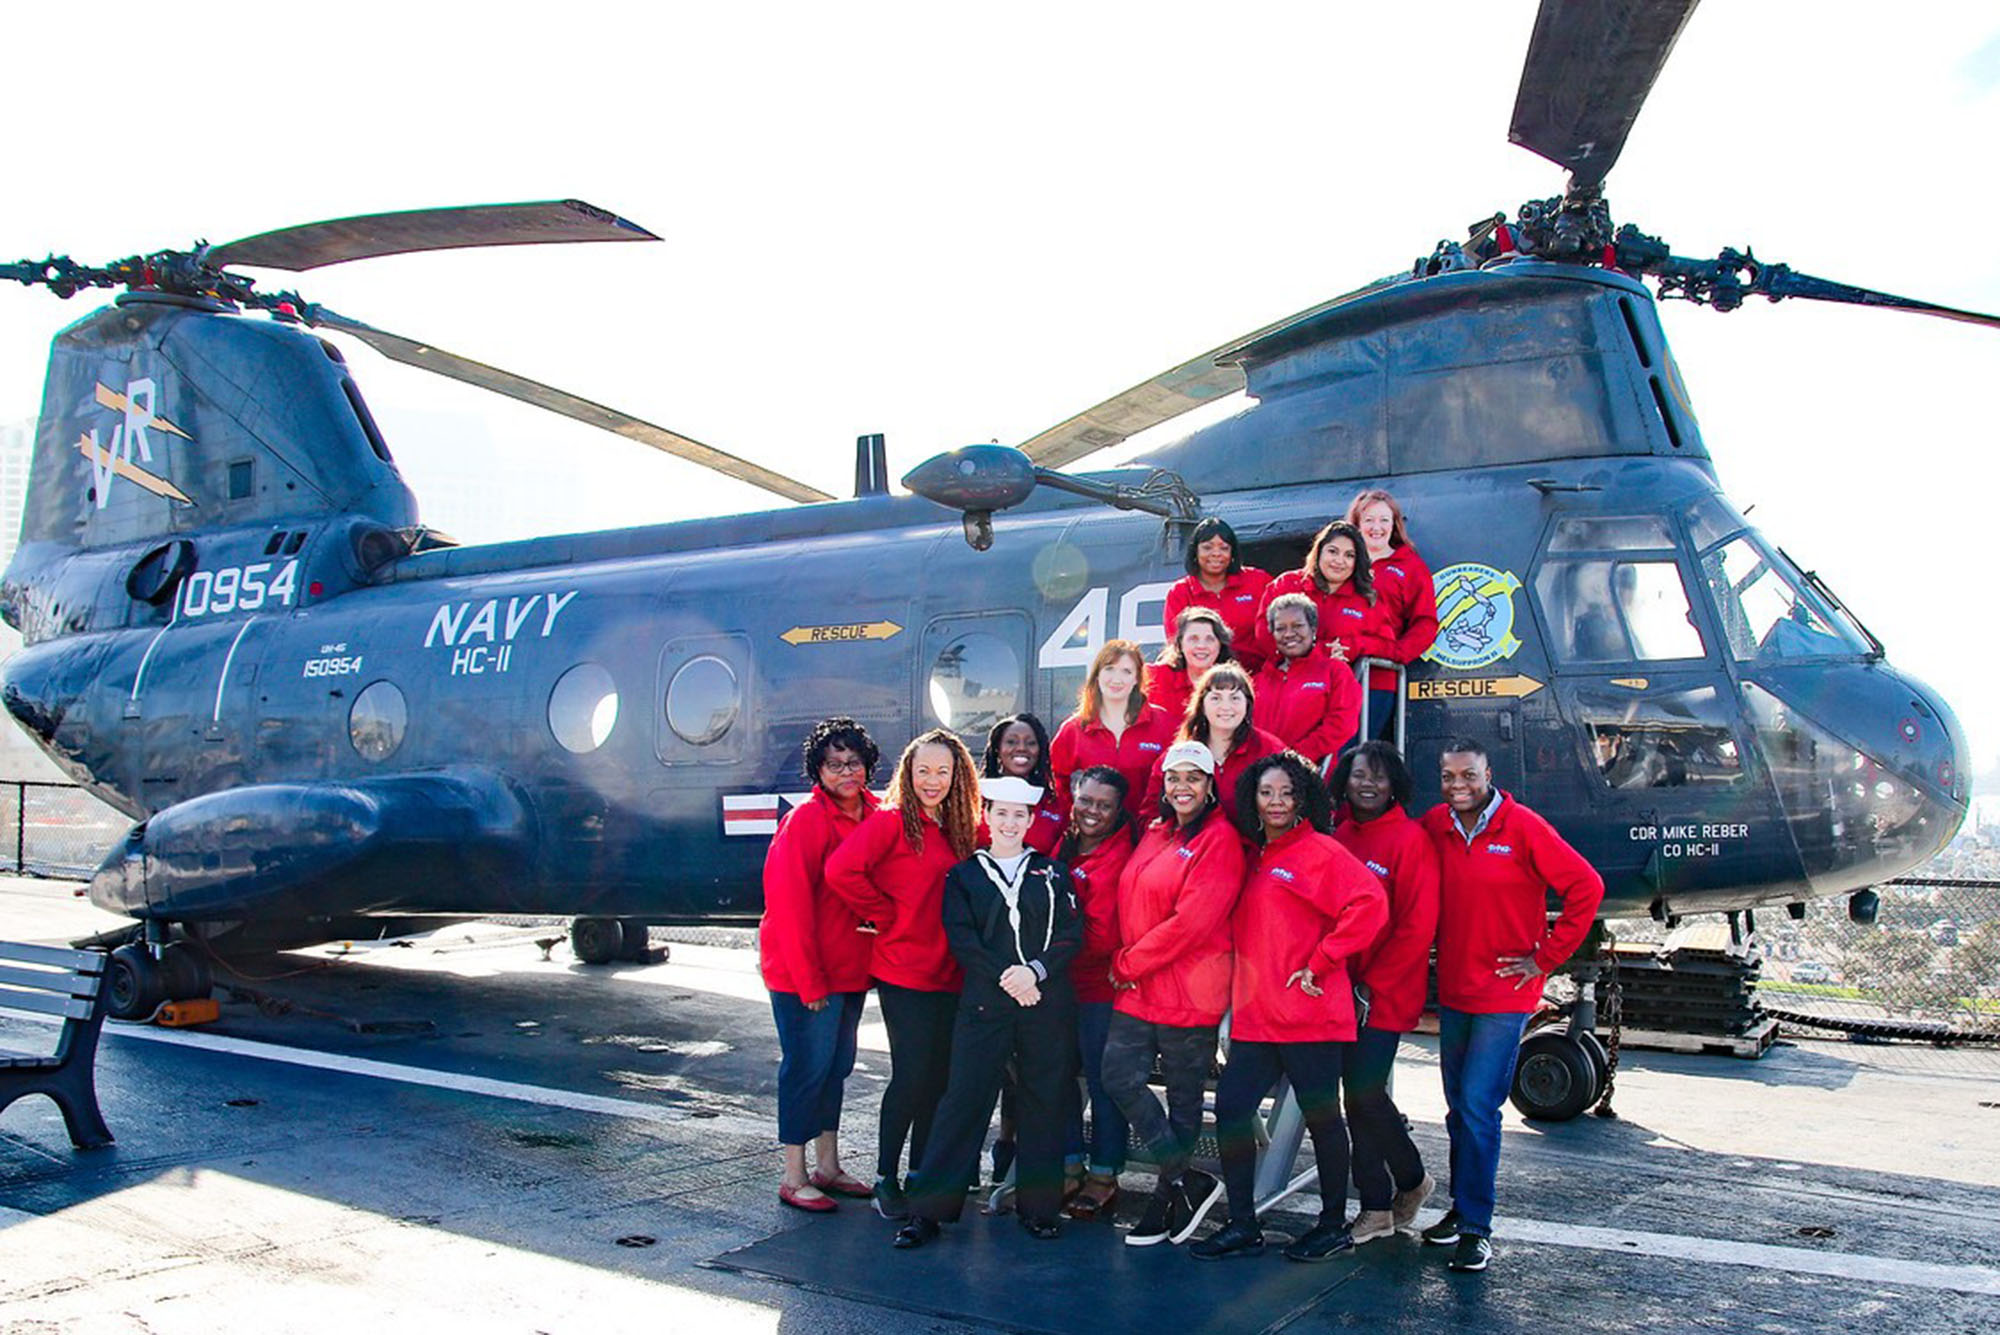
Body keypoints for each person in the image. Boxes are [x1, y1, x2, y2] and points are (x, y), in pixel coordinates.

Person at [1417, 738, 1605, 1272]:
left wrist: (1544, 958)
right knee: (1459, 1108)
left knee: (1479, 1107)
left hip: (1503, 994)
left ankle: (1477, 1226)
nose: (1459, 786)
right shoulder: (1437, 825)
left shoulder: (1522, 827)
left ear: (1489, 773)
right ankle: (1460, 1209)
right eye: (1449, 776)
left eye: (1469, 776)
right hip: (1455, 991)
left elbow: (1586, 887)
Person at [1192, 752, 1386, 1262]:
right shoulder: (1258, 855)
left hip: (1310, 1016)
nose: (1276, 802)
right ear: (1251, 799)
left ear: (1303, 799)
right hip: (1258, 1018)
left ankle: (1332, 1225)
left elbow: (1370, 903)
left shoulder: (1320, 851)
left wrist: (1322, 960)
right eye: (1266, 792)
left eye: (1286, 793)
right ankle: (1241, 1223)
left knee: (1324, 1120)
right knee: (1232, 1109)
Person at [895, 776, 1083, 1249]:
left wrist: (1034, 974)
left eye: (1019, 815)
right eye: (1001, 813)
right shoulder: (964, 876)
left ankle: (1039, 1209)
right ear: (986, 817)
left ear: (1031, 821)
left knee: (1044, 1102)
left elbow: (1070, 935)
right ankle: (928, 1213)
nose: (1009, 822)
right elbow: (963, 941)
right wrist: (1010, 980)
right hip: (986, 1003)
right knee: (963, 1100)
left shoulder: (1053, 873)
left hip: (1042, 1003)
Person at [825, 728, 982, 1221]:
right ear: (907, 774)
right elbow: (840, 870)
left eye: (942, 771)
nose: (931, 781)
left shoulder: (963, 827)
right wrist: (884, 914)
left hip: (952, 974)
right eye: (922, 771)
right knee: (911, 1077)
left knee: (940, 1078)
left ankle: (921, 1172)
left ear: (957, 776)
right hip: (904, 972)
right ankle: (885, 1176)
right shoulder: (892, 822)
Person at [1101, 741, 1245, 1248]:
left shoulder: (1220, 840)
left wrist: (1128, 961)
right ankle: (1187, 1179)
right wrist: (1132, 964)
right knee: (1117, 1076)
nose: (1182, 786)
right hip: (1140, 987)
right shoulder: (1158, 832)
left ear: (1210, 786)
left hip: (1187, 988)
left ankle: (1167, 1200)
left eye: (1194, 777)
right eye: (1173, 777)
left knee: (1185, 1101)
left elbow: (1192, 923)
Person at [759, 717, 884, 1213]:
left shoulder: (876, 815)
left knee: (837, 1068)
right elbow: (788, 907)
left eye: (853, 762)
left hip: (850, 971)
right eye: (833, 764)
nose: (845, 772)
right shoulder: (806, 821)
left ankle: (828, 1165)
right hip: (804, 976)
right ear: (818, 770)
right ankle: (794, 1173)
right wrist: (809, 981)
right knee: (806, 1069)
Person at [1329, 741, 1441, 1243]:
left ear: (1394, 782)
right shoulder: (1340, 833)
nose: (1367, 784)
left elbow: (1417, 927)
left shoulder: (1409, 840)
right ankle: (1386, 1197)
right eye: (1358, 775)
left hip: (1383, 994)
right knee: (1357, 1097)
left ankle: (1400, 1187)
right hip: (1337, 988)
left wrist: (1371, 988)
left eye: (1378, 776)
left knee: (1364, 1093)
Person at [1060, 765, 1139, 1221]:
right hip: (1058, 985)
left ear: (1117, 811)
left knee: (1104, 1080)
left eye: (1104, 805)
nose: (1093, 811)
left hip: (1098, 989)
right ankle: (1069, 1164)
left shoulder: (1116, 858)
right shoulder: (1064, 845)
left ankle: (1105, 1174)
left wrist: (1046, 948)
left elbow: (1100, 934)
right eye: (1086, 800)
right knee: (1060, 1077)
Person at [1049, 639, 1177, 821]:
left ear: (1136, 679)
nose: (1117, 679)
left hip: (1148, 836)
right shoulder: (1074, 730)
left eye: (1126, 671)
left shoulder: (1164, 725)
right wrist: (1074, 819)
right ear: (1097, 675)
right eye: (1109, 669)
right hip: (1096, 837)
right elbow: (1055, 780)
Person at [1346, 489, 1439, 736]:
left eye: (1384, 520)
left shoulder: (1410, 567)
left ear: (1394, 524)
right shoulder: (1340, 561)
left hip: (1376, 677)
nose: (1376, 527)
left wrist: (1397, 653)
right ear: (1356, 524)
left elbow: (1425, 622)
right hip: (1335, 674)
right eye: (1368, 520)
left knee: (1353, 750)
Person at [1250, 520, 1396, 672]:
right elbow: (1265, 635)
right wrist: (1320, 653)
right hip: (1290, 676)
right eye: (1332, 551)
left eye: (1349, 555)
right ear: (1319, 551)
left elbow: (1388, 646)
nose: (1339, 561)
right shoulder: (1286, 584)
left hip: (1348, 682)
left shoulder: (1367, 598)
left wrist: (1351, 647)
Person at [1139, 663, 1281, 815]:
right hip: (1196, 838)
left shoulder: (1270, 750)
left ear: (1248, 704)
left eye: (1234, 698)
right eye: (1216, 698)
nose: (1226, 707)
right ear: (1202, 705)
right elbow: (1150, 814)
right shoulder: (1178, 755)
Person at [1253, 593, 1363, 766]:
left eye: (1298, 626)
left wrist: (1295, 756)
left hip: (1311, 774)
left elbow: (1342, 724)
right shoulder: (1257, 681)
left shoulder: (1334, 671)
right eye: (1280, 628)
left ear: (1313, 629)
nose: (1289, 634)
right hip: (1262, 776)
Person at [1161, 516, 1272, 673]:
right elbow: (1177, 647)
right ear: (1195, 551)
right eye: (1207, 547)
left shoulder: (1258, 581)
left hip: (1259, 676)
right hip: (1204, 682)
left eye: (1224, 548)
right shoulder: (1180, 592)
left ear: (1233, 552)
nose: (1216, 554)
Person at [982, 713, 1066, 854]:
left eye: (1030, 743)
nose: (1021, 748)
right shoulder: (977, 800)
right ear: (998, 749)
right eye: (1011, 742)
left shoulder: (1054, 803)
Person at [1144, 606, 1234, 728]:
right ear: (1180, 644)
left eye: (1210, 639)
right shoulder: (1153, 677)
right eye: (1193, 639)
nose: (1201, 646)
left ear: (1220, 645)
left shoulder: (1234, 685)